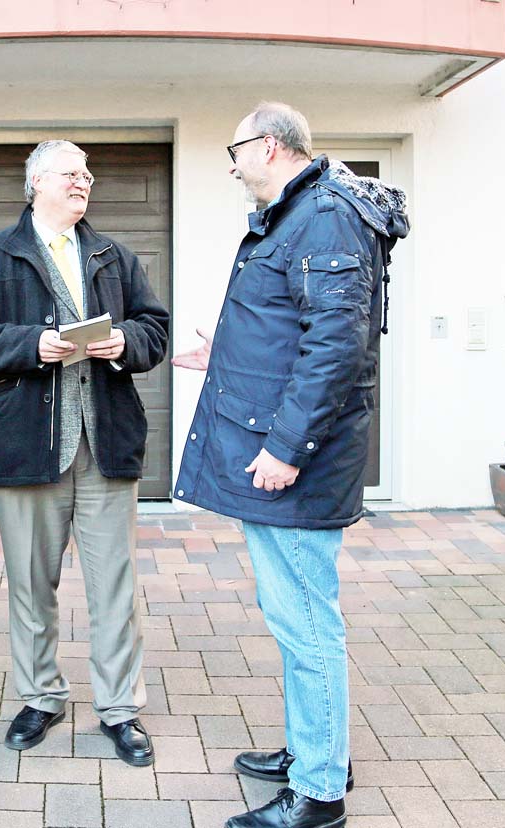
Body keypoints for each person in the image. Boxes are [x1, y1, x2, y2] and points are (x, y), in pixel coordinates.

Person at [173, 103, 408, 828]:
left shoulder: (324, 215)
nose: (233, 164)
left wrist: (285, 449)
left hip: (296, 464)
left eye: (235, 150)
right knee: (294, 617)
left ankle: (318, 795)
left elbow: (337, 348)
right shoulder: (301, 211)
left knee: (306, 622)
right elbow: (300, 328)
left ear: (268, 146)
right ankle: (318, 750)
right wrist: (228, 357)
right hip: (283, 452)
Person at [0, 141, 169, 766]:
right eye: (72, 172)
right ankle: (41, 696)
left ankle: (121, 709)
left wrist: (123, 339)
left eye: (88, 173)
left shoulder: (113, 257)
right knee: (30, 585)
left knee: (115, 588)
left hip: (105, 448)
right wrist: (33, 345)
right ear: (36, 181)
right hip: (24, 447)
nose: (85, 181)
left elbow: (155, 328)